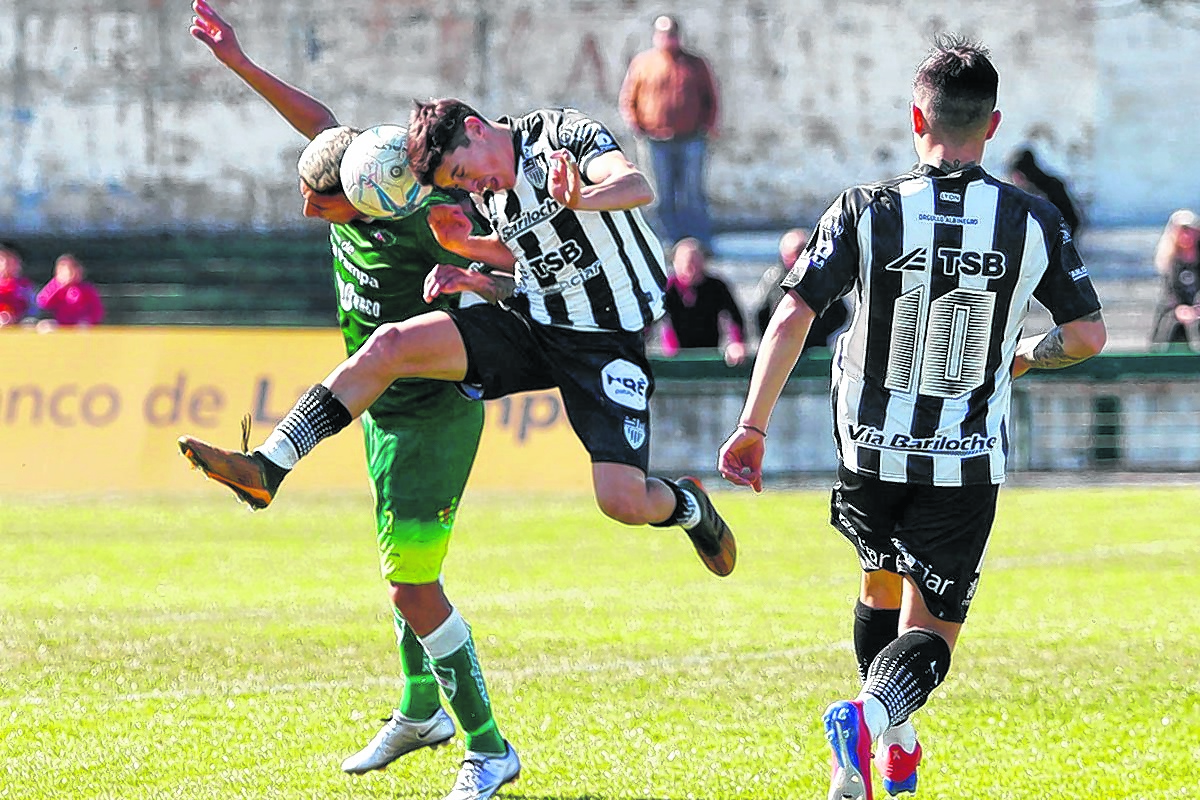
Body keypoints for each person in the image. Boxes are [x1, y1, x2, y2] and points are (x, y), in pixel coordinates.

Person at [178, 92, 736, 790]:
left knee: (622, 500)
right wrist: (469, 262)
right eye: (461, 187)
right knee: (388, 348)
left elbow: (637, 185)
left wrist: (579, 195)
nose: (472, 190)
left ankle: (686, 506)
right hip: (534, 323)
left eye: (467, 176)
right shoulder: (486, 196)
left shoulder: (557, 133)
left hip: (604, 340)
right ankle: (269, 464)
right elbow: (524, 264)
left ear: (476, 130)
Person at [717, 35, 1106, 800]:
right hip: (962, 456)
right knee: (929, 634)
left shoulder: (866, 208)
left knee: (879, 585)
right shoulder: (1031, 219)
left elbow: (794, 310)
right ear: (992, 126)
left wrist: (753, 423)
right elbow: (1089, 335)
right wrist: (1025, 352)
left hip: (867, 444)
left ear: (914, 117)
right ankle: (871, 717)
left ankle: (882, 752)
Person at [186, 4, 520, 799]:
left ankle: (488, 743)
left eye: (321, 203)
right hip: (375, 408)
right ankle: (417, 710)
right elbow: (318, 124)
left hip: (432, 414)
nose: (310, 212)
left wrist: (473, 275)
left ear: (362, 198)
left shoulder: (427, 219)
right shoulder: (355, 168)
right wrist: (238, 60)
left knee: (412, 583)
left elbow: (512, 269)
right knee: (399, 572)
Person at [619, 14, 719, 251]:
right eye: (663, 34)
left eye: (672, 34)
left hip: (691, 139)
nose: (668, 39)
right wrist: (636, 125)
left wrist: (708, 125)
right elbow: (628, 98)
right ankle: (663, 244)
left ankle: (699, 245)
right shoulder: (643, 64)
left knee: (693, 195)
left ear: (678, 36)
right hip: (655, 141)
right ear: (656, 36)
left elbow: (711, 98)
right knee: (660, 196)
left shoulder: (695, 64)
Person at [753, 227, 850, 353]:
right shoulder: (773, 278)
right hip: (780, 350)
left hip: (815, 350)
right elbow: (761, 313)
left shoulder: (823, 279)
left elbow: (840, 314)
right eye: (796, 253)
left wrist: (818, 332)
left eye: (804, 251)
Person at [660, 237, 746, 365]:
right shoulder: (666, 289)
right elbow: (649, 321)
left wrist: (736, 343)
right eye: (684, 262)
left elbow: (734, 319)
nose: (689, 267)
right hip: (673, 357)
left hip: (709, 354)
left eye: (694, 262)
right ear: (674, 263)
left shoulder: (716, 286)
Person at [1149, 208, 1200, 350]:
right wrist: (1180, 309)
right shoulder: (1169, 261)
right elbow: (1169, 294)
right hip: (1174, 313)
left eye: (1190, 230)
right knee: (1171, 322)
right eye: (1182, 230)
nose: (1186, 235)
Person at [1007, 147, 1083, 235]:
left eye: (1019, 176)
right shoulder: (1020, 192)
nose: (1016, 180)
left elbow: (1068, 219)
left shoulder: (1048, 189)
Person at [35, 253, 105, 329]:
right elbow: (43, 302)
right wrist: (57, 284)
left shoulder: (87, 289)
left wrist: (88, 321)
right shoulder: (56, 288)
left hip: (80, 325)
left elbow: (97, 310)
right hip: (60, 324)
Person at [0, 244, 36, 327]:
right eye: (2, 259)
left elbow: (33, 309)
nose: (6, 263)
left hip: (20, 324)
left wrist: (16, 318)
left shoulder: (25, 285)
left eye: (10, 259)